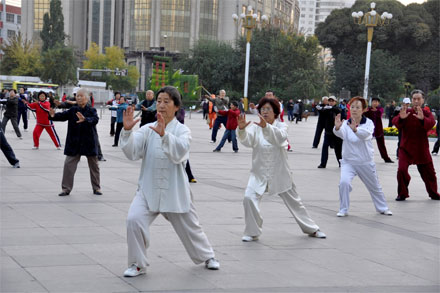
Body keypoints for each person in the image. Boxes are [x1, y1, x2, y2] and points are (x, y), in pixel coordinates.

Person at [119, 86, 219, 277]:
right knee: (134, 220)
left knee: (191, 227)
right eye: (159, 101)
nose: (161, 105)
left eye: (166, 102)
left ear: (176, 107)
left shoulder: (183, 131)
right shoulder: (147, 129)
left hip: (175, 189)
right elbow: (132, 152)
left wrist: (165, 135)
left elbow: (180, 153)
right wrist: (126, 131)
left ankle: (208, 256)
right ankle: (137, 264)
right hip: (148, 188)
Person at [237, 97, 326, 242]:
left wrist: (266, 127)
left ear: (276, 112)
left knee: (295, 202)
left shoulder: (281, 126)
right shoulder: (254, 126)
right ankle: (252, 232)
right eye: (263, 109)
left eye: (268, 109)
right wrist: (242, 129)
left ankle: (312, 229)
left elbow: (279, 138)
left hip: (280, 172)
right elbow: (247, 142)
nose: (265, 112)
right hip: (259, 172)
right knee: (248, 198)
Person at [333, 97, 393, 217]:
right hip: (348, 162)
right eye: (352, 107)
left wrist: (355, 130)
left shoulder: (369, 123)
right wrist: (338, 128)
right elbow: (342, 135)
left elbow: (366, 135)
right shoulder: (346, 123)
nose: (354, 110)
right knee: (344, 183)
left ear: (364, 109)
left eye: (358, 107)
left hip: (365, 162)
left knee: (374, 186)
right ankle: (343, 209)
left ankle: (382, 208)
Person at [49, 88, 102, 197]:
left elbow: (95, 120)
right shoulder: (73, 110)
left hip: (89, 142)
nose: (78, 98)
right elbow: (63, 116)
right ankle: (66, 189)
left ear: (86, 98)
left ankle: (96, 188)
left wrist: (86, 120)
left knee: (94, 166)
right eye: (77, 96)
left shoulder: (92, 110)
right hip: (74, 142)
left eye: (81, 96)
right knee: (68, 165)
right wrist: (53, 116)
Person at [392, 90, 440, 201]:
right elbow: (396, 122)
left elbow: (431, 123)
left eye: (419, 99)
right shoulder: (406, 111)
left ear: (423, 100)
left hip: (421, 149)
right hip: (406, 148)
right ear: (411, 100)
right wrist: (401, 118)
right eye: (414, 99)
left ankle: (433, 193)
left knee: (430, 174)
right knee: (402, 171)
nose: (416, 101)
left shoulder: (427, 113)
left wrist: (423, 119)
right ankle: (402, 193)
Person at [364, 97, 394, 163]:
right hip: (368, 130)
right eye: (374, 101)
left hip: (378, 129)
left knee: (381, 144)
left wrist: (370, 110)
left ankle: (386, 158)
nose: (375, 103)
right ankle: (364, 158)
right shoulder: (367, 110)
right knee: (365, 144)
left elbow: (379, 113)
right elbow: (363, 114)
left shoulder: (380, 109)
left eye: (377, 102)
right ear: (371, 102)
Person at [318, 96, 342, 168]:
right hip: (328, 131)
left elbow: (340, 111)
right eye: (330, 101)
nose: (331, 102)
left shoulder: (337, 108)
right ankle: (323, 163)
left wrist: (332, 108)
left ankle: (341, 162)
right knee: (325, 147)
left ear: (335, 102)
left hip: (337, 132)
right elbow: (322, 111)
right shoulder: (326, 109)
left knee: (338, 149)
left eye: (332, 101)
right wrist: (320, 109)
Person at [176, 107, 197, 183]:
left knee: (184, 156)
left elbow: (180, 118)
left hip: (179, 136)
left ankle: (190, 176)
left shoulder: (181, 110)